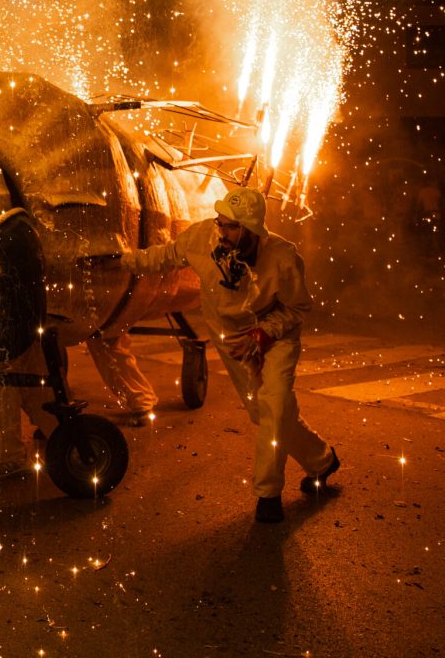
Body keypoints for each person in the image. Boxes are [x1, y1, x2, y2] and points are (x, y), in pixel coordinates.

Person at [119, 186, 340, 523]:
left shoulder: (283, 257)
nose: (220, 231)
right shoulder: (201, 238)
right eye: (219, 222)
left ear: (250, 231)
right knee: (264, 413)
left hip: (275, 336)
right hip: (232, 342)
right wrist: (119, 260)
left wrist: (264, 333)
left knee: (275, 406)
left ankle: (268, 495)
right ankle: (322, 461)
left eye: (230, 227)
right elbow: (161, 257)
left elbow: (297, 308)